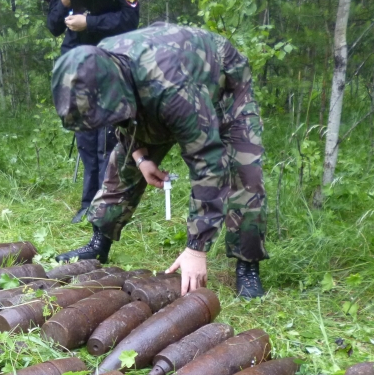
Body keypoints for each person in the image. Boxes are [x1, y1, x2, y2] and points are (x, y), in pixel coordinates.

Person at [52, 23, 268, 299]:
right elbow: (119, 118)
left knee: (244, 173)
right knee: (123, 164)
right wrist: (141, 158)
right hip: (158, 87)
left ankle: (247, 265)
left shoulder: (171, 91)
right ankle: (99, 241)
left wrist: (195, 248)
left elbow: (208, 162)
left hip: (225, 85)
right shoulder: (97, 64)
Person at [46, 0, 139, 223]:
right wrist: (64, 0)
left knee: (108, 137)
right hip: (75, 63)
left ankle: (105, 203)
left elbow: (130, 19)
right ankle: (87, 203)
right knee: (85, 138)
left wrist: (89, 22)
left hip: (108, 59)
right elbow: (53, 26)